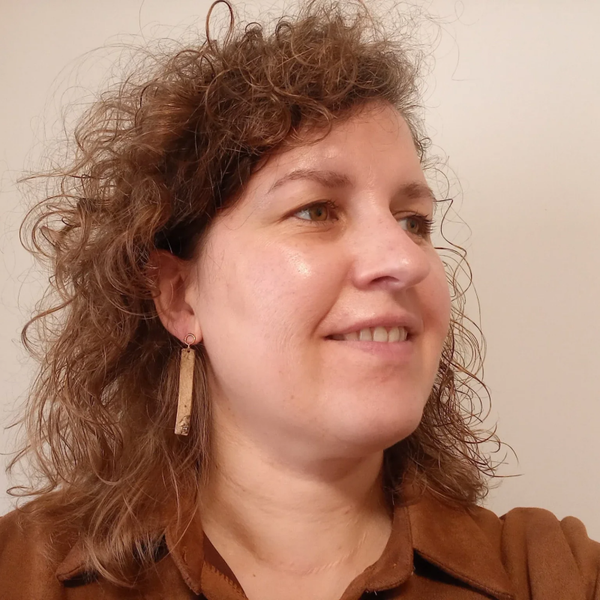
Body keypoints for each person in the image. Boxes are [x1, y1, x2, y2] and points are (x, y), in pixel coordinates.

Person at [0, 0, 598, 598]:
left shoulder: (556, 575)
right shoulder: (21, 571)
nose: (406, 259)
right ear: (181, 299)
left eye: (413, 221)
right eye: (315, 211)